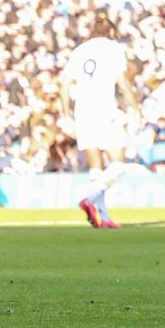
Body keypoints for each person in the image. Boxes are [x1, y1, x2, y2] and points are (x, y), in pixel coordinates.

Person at [60, 13, 143, 229]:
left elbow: (65, 83)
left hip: (82, 111)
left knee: (96, 167)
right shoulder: (113, 49)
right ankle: (87, 196)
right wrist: (135, 108)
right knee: (117, 164)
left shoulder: (80, 51)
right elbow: (123, 81)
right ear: (112, 32)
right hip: (104, 109)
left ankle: (103, 217)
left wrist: (66, 113)